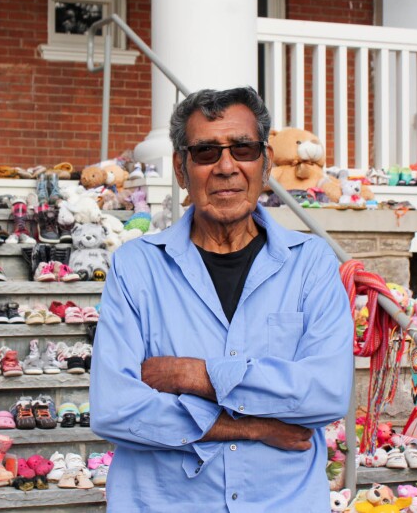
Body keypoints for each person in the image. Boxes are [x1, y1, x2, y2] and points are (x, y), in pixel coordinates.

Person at [90, 87, 354, 511]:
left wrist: (196, 375)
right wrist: (252, 427)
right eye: (207, 152)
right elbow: (115, 409)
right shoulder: (136, 268)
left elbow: (325, 393)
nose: (227, 167)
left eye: (243, 149)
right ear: (181, 168)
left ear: (265, 163)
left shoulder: (311, 265)